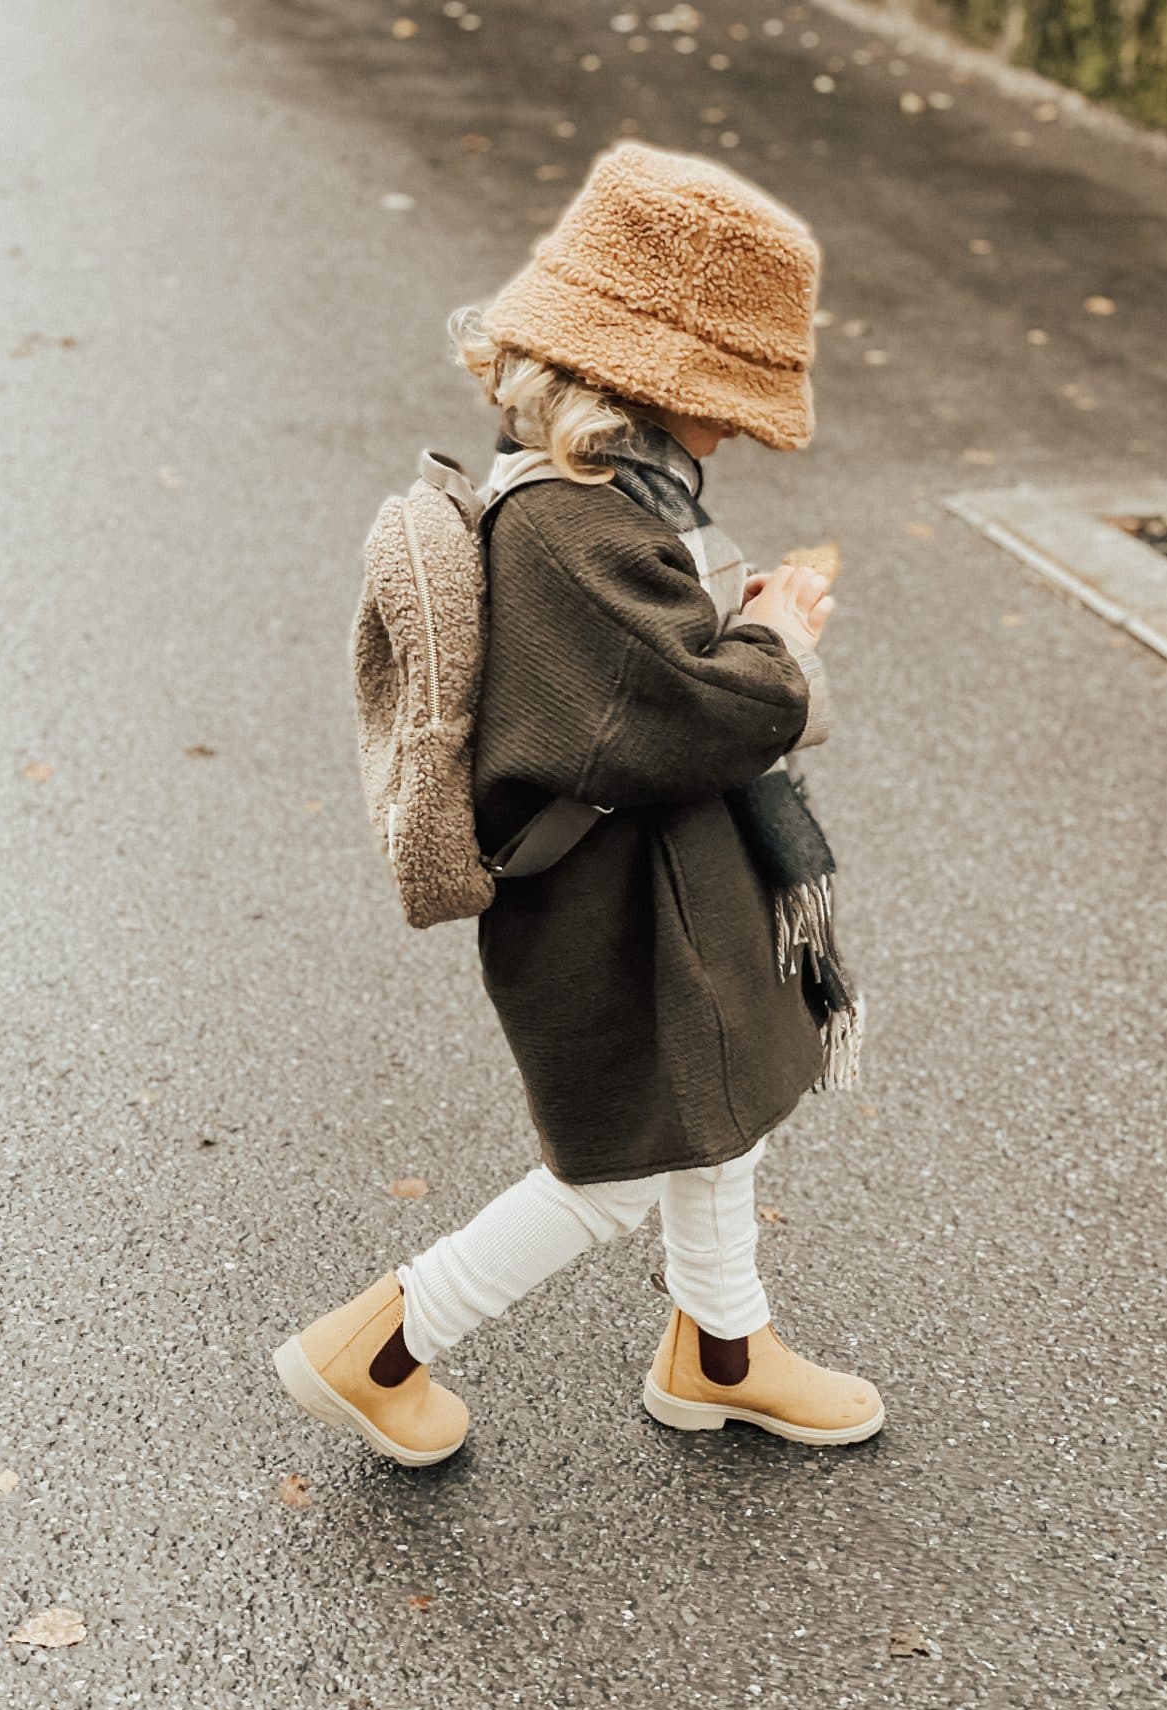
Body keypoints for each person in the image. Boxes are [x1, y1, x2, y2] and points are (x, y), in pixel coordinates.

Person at [273, 143, 882, 1467]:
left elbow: (640, 677)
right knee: (616, 1165)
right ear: (643, 387)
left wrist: (738, 622)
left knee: (716, 1107)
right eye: (718, 400)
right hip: (613, 904)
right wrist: (775, 638)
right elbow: (682, 713)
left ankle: (720, 1350)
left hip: (657, 884)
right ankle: (377, 1347)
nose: (731, 428)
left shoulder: (601, 501)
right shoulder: (573, 526)